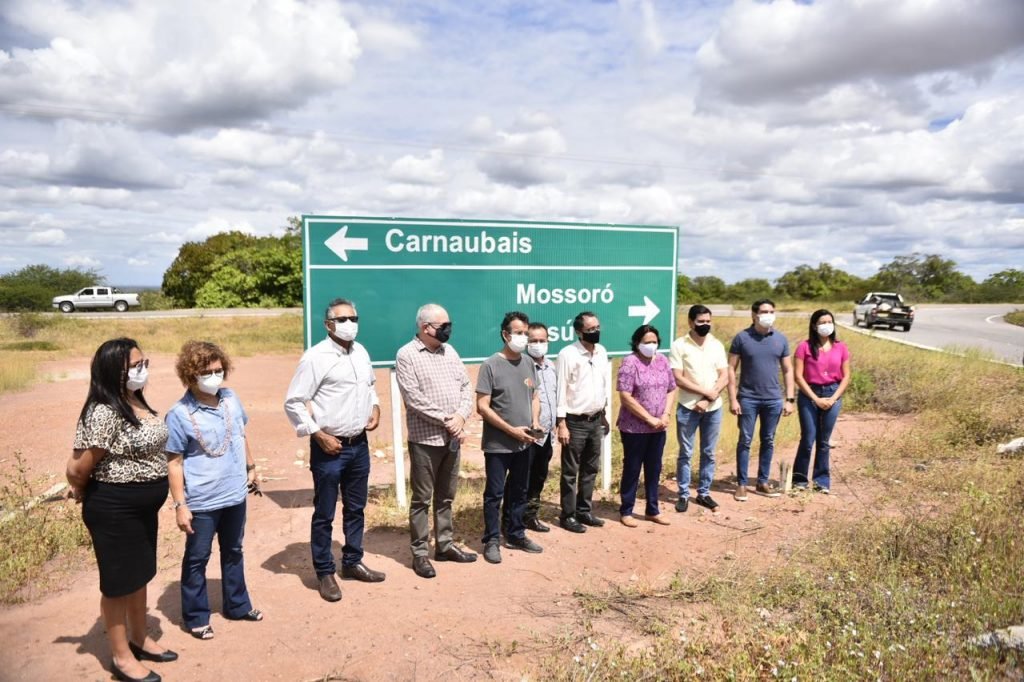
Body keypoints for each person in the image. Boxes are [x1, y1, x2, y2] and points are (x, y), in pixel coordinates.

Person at [66, 338, 176, 682]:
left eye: (145, 363)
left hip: (142, 510)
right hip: (114, 510)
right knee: (117, 583)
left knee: (139, 574)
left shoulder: (134, 400)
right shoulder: (103, 411)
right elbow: (77, 469)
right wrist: (82, 492)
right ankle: (121, 656)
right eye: (136, 365)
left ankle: (140, 637)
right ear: (114, 371)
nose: (144, 370)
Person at [284, 298, 385, 603]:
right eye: (342, 319)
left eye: (353, 318)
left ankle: (352, 561)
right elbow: (293, 401)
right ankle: (325, 571)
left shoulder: (361, 351)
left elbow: (369, 386)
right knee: (325, 512)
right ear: (328, 324)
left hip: (359, 445)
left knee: (356, 508)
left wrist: (376, 406)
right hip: (329, 447)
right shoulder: (315, 357)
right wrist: (317, 434)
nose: (349, 324)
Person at [165, 341, 261, 640]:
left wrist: (251, 467)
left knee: (234, 550)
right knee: (197, 557)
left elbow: (241, 434)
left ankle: (238, 605)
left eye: (219, 370)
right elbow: (175, 462)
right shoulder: (179, 414)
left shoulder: (231, 399)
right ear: (190, 375)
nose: (215, 377)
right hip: (202, 500)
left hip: (234, 493)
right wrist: (180, 505)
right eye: (207, 372)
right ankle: (196, 616)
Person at [395, 303, 478, 579]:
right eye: (442, 326)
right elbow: (414, 399)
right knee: (422, 499)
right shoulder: (406, 355)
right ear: (425, 327)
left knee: (446, 497)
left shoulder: (449, 351)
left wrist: (461, 417)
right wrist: (449, 421)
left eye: (448, 324)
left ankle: (444, 545)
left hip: (452, 438)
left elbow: (466, 387)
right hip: (425, 440)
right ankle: (419, 553)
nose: (447, 330)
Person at [477, 311, 543, 563]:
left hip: (524, 442)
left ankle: (515, 533)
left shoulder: (527, 363)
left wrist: (534, 421)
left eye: (525, 333)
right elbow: (482, 406)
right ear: (505, 334)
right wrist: (510, 430)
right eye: (518, 333)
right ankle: (491, 539)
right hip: (498, 445)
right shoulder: (490, 365)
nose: (523, 338)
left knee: (519, 490)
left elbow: (534, 396)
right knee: (494, 494)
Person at [728, 299, 796, 501]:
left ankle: (762, 482)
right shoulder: (742, 338)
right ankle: (741, 484)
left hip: (773, 399)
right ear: (754, 315)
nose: (768, 314)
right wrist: (733, 399)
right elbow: (731, 369)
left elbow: (788, 369)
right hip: (748, 399)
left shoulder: (781, 339)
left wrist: (790, 399)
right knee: (745, 441)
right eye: (764, 311)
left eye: (772, 311)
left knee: (768, 440)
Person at [555, 311, 610, 533]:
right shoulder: (567, 354)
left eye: (597, 327)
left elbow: (603, 385)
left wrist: (604, 413)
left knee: (590, 468)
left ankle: (584, 510)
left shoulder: (601, 352)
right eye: (590, 329)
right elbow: (561, 389)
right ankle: (567, 515)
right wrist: (561, 423)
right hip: (574, 422)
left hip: (595, 419)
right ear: (579, 332)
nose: (596, 332)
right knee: (571, 471)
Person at [670, 304, 729, 512]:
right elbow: (678, 377)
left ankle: (704, 493)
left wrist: (709, 397)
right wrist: (705, 393)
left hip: (713, 407)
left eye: (708, 321)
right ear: (690, 322)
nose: (705, 325)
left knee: (709, 452)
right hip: (688, 407)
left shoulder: (716, 345)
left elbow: (724, 375)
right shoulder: (679, 345)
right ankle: (683, 494)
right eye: (700, 322)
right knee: (686, 452)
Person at [616, 324, 677, 527]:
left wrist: (666, 414)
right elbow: (625, 396)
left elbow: (671, 388)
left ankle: (653, 509)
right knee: (633, 467)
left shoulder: (662, 361)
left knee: (654, 467)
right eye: (646, 342)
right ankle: (626, 510)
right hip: (634, 427)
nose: (651, 345)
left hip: (659, 426)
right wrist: (648, 418)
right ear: (637, 343)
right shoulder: (629, 362)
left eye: (654, 341)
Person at [792, 309, 851, 493]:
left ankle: (821, 481)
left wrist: (833, 398)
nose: (826, 325)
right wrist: (815, 398)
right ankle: (799, 480)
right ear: (814, 326)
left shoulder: (841, 347)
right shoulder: (804, 347)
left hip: (833, 393)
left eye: (829, 322)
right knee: (808, 439)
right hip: (810, 394)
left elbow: (847, 375)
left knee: (824, 441)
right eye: (822, 322)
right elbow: (798, 376)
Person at [519, 322, 556, 532]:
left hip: (547, 434)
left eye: (542, 340)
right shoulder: (522, 366)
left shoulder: (551, 366)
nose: (538, 344)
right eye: (533, 341)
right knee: (521, 478)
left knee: (539, 476)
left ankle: (531, 516)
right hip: (527, 434)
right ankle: (514, 518)